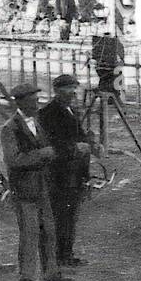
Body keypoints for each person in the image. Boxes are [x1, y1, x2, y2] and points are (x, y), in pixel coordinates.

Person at [1, 83, 72, 281]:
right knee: (30, 233)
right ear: (21, 102)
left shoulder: (37, 122)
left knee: (49, 231)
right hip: (24, 189)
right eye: (32, 100)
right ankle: (28, 278)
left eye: (37, 99)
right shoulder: (9, 128)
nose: (37, 103)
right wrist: (41, 155)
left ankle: (51, 273)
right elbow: (13, 160)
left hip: (42, 186)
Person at [40, 74, 98, 267]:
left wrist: (88, 140)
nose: (72, 93)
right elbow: (51, 145)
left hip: (74, 172)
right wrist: (76, 148)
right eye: (67, 89)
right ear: (57, 91)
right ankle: (56, 257)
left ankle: (66, 254)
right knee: (59, 217)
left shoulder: (70, 110)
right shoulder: (47, 114)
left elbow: (78, 137)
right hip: (58, 174)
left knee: (70, 217)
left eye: (74, 89)